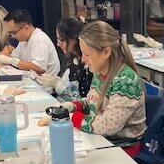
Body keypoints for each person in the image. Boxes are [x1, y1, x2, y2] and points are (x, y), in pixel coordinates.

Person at [48, 21, 146, 152]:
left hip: (125, 148)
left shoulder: (125, 80)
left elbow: (109, 124)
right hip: (105, 141)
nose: (83, 59)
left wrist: (70, 118)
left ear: (106, 52)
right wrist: (73, 106)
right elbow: (93, 102)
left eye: (87, 54)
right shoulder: (100, 73)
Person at [0, 9, 59, 77]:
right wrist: (1, 60)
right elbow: (15, 57)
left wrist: (11, 61)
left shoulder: (39, 39)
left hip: (44, 85)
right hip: (33, 80)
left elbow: (39, 68)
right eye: (10, 33)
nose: (13, 36)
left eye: (14, 33)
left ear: (26, 28)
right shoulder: (24, 39)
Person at [36, 17, 92, 101]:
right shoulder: (73, 59)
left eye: (61, 40)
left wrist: (57, 84)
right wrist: (56, 81)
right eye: (57, 39)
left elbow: (82, 101)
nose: (58, 44)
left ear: (75, 39)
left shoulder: (88, 65)